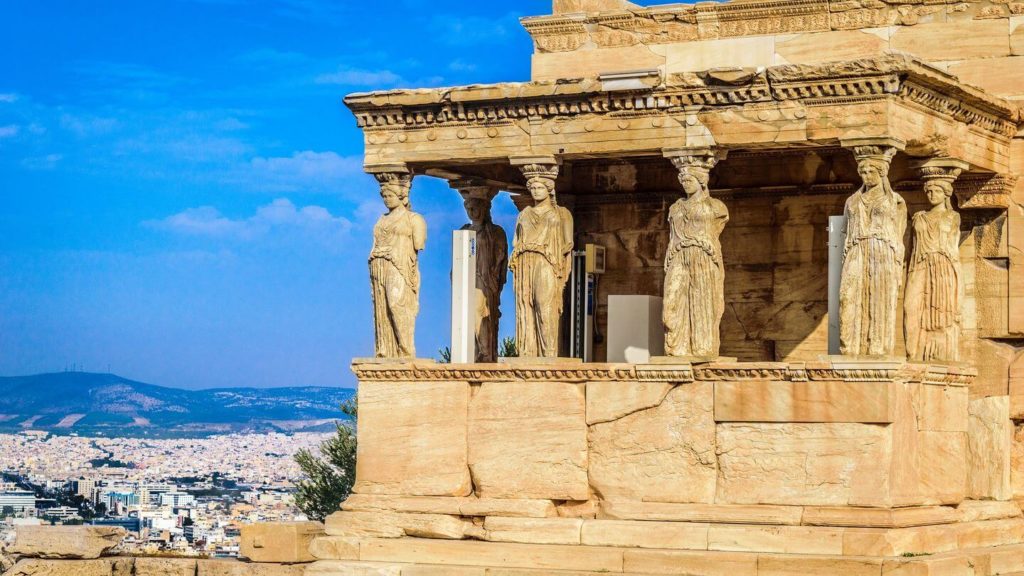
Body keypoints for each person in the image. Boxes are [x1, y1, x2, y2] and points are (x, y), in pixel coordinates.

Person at [839, 149, 906, 357]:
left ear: (882, 172)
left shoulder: (894, 200)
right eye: (863, 172)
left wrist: (896, 260)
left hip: (882, 251)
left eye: (871, 172)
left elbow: (899, 231)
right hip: (857, 249)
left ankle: (877, 348)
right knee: (847, 296)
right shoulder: (852, 201)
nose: (866, 176)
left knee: (879, 299)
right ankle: (849, 347)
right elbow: (845, 231)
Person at [662, 158, 729, 358]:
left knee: (703, 302)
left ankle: (702, 348)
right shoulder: (675, 207)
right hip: (678, 255)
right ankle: (677, 348)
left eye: (688, 179)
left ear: (701, 180)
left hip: (703, 255)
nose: (684, 182)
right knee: (670, 306)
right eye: (682, 179)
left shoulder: (716, 207)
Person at [509, 170, 573, 357]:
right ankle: (527, 353)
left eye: (540, 188)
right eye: (533, 188)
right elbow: (515, 241)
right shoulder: (524, 214)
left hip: (547, 261)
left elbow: (568, 242)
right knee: (525, 306)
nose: (536, 191)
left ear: (549, 189)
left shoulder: (561, 214)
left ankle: (549, 353)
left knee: (544, 304)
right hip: (524, 261)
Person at [368, 173, 426, 358]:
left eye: (390, 196)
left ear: (402, 196)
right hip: (379, 265)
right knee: (382, 309)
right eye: (384, 196)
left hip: (399, 265)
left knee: (397, 304)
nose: (386, 200)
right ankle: (386, 351)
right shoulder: (381, 219)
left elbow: (419, 243)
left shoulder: (414, 219)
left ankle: (406, 350)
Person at [905, 176, 961, 362]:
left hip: (943, 265)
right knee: (910, 307)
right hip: (919, 265)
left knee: (942, 312)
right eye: (928, 191)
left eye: (936, 191)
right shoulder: (918, 217)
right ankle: (913, 352)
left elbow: (952, 245)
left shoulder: (953, 217)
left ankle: (940, 354)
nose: (931, 195)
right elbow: (911, 246)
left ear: (946, 194)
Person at [460, 192, 508, 362]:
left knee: (482, 312)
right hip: (467, 278)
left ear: (485, 208)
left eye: (475, 208)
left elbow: (500, 257)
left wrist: (495, 276)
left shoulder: (495, 232)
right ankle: (472, 352)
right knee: (468, 314)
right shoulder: (465, 230)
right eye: (469, 208)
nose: (472, 212)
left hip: (485, 280)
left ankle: (486, 352)